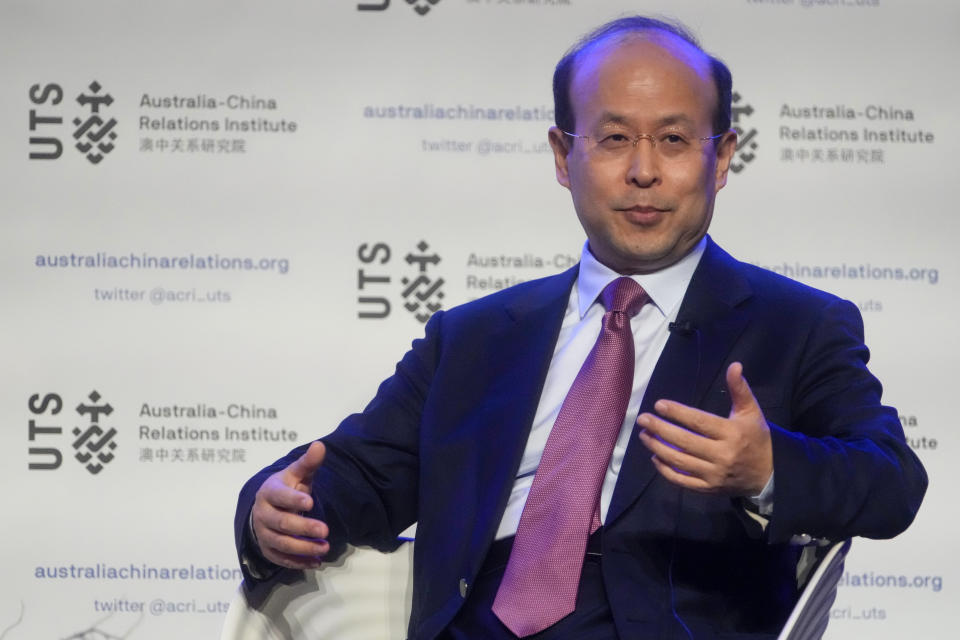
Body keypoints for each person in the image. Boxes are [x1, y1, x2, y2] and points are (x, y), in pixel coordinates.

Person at [234, 15, 926, 640]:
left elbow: (892, 481)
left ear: (720, 158)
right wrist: (276, 513)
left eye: (676, 140)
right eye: (615, 138)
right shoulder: (473, 339)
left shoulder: (797, 327)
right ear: (565, 156)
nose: (645, 171)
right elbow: (353, 474)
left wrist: (768, 467)